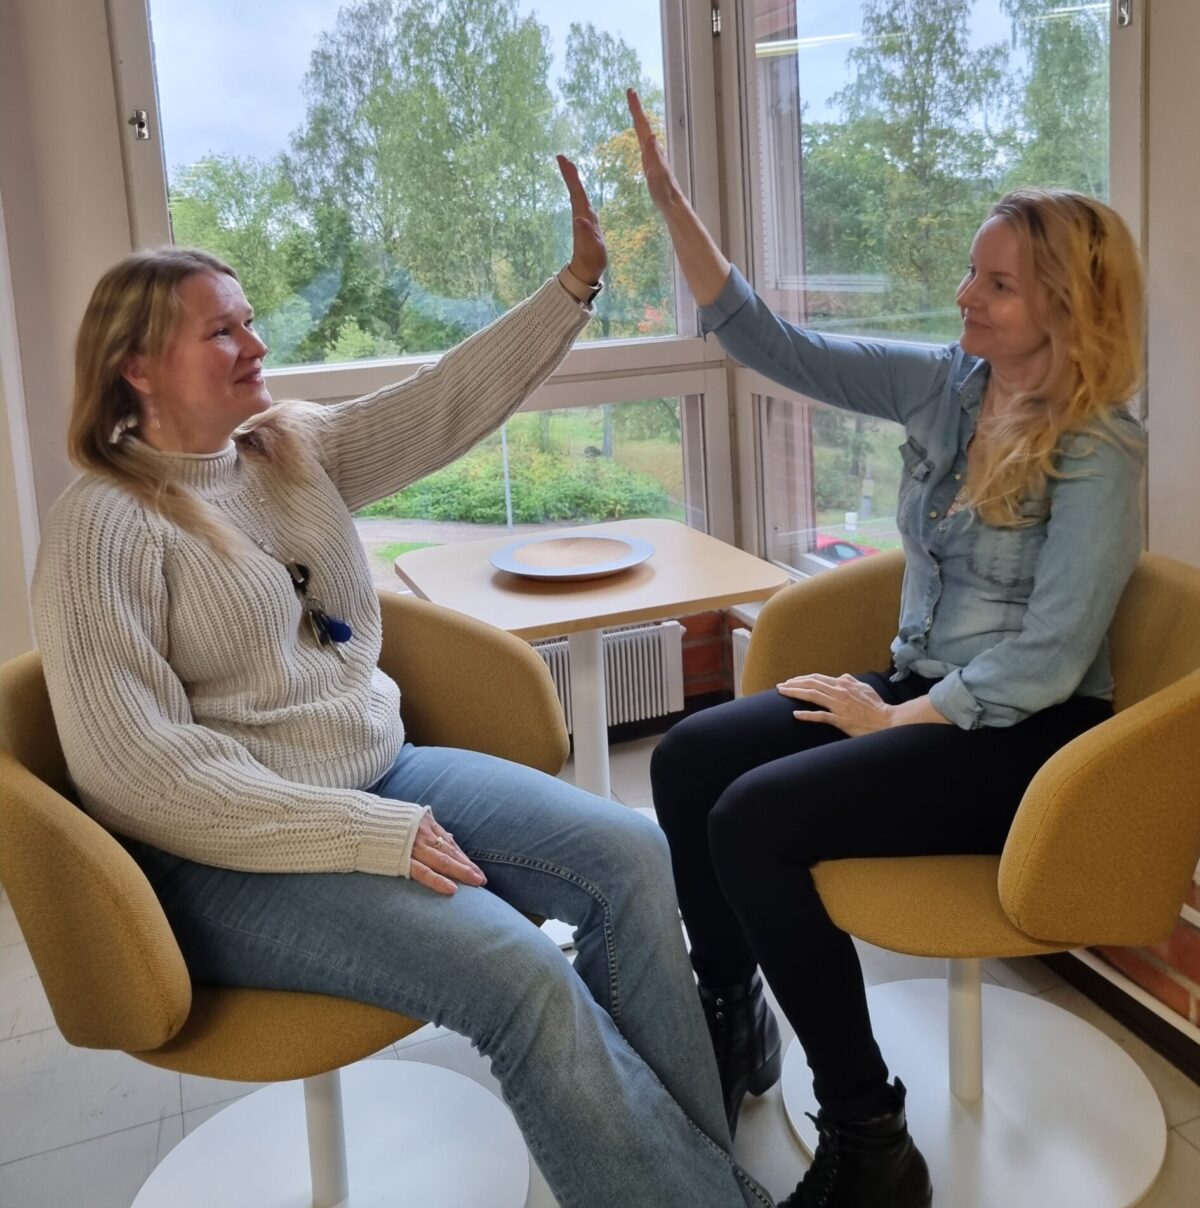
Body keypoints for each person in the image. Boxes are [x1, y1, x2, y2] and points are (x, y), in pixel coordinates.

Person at [32, 155, 775, 1208]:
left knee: (632, 856)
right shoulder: (103, 522)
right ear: (136, 368)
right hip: (222, 853)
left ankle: (694, 1182)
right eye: (222, 331)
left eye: (250, 320)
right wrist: (362, 832)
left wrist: (572, 288)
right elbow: (136, 770)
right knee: (519, 976)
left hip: (383, 772)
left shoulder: (284, 449)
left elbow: (439, 404)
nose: (256, 345)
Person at [628, 90, 1146, 1208]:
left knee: (752, 821)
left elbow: (1052, 657)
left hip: (1025, 736)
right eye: (971, 273)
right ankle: (733, 1014)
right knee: (689, 758)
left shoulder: (1100, 449)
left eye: (997, 284)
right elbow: (774, 346)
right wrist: (673, 206)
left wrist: (897, 718)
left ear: (1067, 307)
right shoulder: (947, 384)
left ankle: (870, 1134)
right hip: (918, 690)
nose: (965, 295)